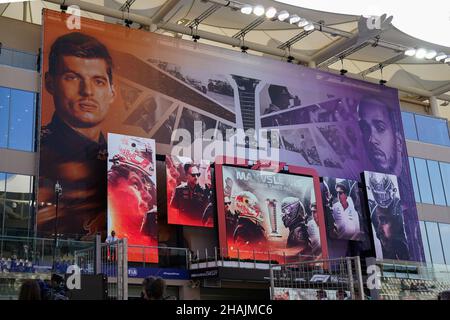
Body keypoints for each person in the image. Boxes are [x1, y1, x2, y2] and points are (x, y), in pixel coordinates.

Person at [37, 32, 116, 240]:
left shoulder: (122, 161)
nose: (87, 91)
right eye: (72, 77)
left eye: (98, 81)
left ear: (112, 92)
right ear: (50, 83)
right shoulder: (37, 148)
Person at [358, 96, 422, 261]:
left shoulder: (418, 187)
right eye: (365, 129)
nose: (371, 139)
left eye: (380, 127)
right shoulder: (363, 193)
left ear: (398, 139)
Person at [368, 173, 410, 260]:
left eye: (384, 194)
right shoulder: (372, 208)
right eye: (378, 194)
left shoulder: (398, 204)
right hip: (386, 257)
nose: (382, 198)